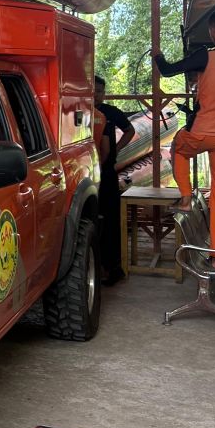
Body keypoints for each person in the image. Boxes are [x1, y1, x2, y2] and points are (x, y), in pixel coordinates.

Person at [154, 8, 215, 266]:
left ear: (213, 32)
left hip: (202, 132)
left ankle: (185, 197)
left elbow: (169, 71)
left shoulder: (207, 54)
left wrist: (158, 56)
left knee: (179, 148)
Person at [95, 75, 135, 286]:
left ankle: (113, 268)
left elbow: (130, 130)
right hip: (87, 176)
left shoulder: (110, 113)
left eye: (100, 91)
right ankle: (96, 266)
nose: (96, 94)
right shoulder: (79, 111)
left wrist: (117, 149)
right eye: (92, 90)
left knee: (110, 221)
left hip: (107, 173)